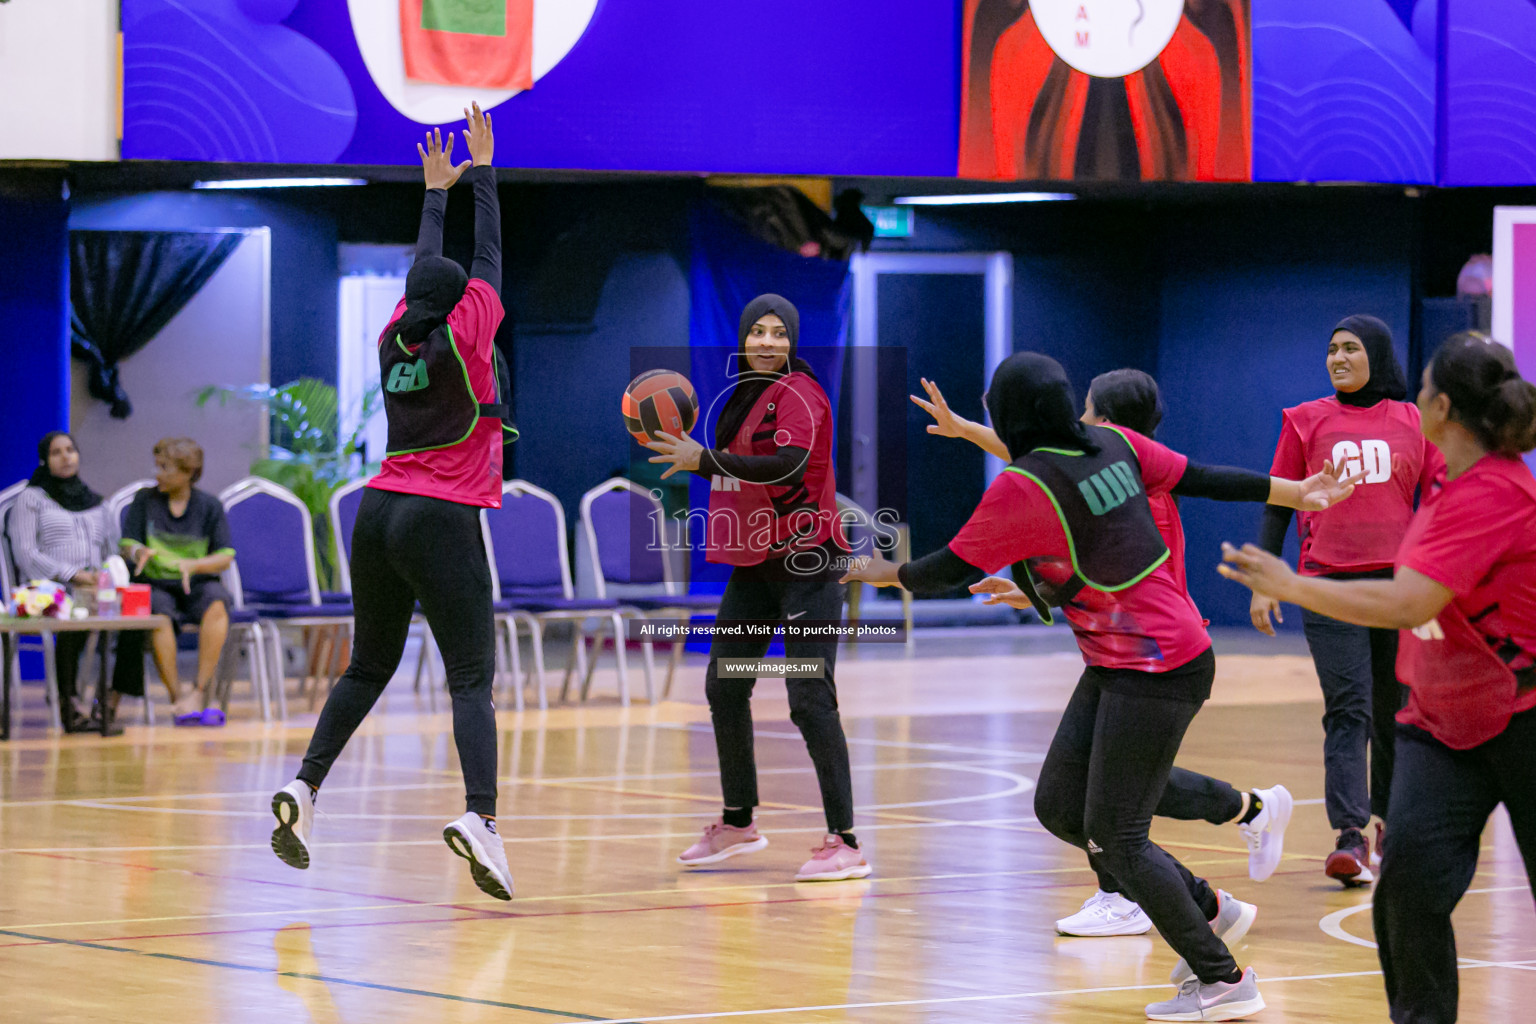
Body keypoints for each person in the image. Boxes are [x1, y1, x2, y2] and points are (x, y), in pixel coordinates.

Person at [850, 352, 1356, 1020]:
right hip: (1124, 661)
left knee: (1118, 835)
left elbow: (944, 568)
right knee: (1062, 805)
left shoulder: (1027, 482)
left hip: (1160, 664)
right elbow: (1201, 476)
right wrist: (1297, 491)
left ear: (1014, 412)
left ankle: (1225, 981)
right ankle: (1210, 905)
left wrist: (875, 571)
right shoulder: (1107, 447)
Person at [1220, 332, 1536, 1024]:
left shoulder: (1496, 491)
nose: (1413, 395)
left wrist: (1291, 586)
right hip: (1443, 723)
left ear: (1442, 406)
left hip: (1523, 718)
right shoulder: (1446, 477)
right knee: (1408, 894)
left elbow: (1409, 602)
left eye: (1423, 386)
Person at [912, 368, 1292, 939]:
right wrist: (968, 430)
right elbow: (1050, 475)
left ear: (1106, 423)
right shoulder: (1111, 469)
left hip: (1155, 654)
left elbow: (1099, 561)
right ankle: (1244, 816)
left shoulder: (1135, 486)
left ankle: (1148, 903)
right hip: (1125, 650)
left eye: (1087, 411)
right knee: (1095, 794)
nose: (1080, 420)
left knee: (1113, 809)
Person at [269, 103, 515, 900]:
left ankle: (304, 790)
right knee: (471, 677)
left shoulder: (393, 337)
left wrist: (432, 193)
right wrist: (481, 173)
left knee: (368, 664)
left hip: (375, 512)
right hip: (440, 516)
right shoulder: (466, 334)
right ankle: (480, 817)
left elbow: (428, 268)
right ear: (458, 302)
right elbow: (490, 258)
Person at [645, 294, 866, 882]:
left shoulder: (801, 394)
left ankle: (844, 842)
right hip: (759, 563)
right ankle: (739, 823)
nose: (768, 342)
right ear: (743, 339)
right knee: (725, 684)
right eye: (758, 332)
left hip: (808, 567)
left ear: (793, 341)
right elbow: (744, 468)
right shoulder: (746, 397)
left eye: (779, 333)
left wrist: (704, 460)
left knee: (809, 702)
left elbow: (787, 465)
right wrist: (705, 459)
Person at [1252, 315, 1442, 885]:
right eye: (1331, 349)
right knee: (1349, 707)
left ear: (1376, 356)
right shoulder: (1305, 420)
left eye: (1351, 349)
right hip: (1328, 586)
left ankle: (1390, 826)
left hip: (1396, 589)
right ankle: (1350, 837)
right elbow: (1277, 503)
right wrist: (1267, 579)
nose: (1337, 357)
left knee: (1396, 709)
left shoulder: (1413, 420)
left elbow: (1438, 499)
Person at [116, 437, 235, 727]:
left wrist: (195, 564)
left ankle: (199, 691)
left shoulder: (209, 505)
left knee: (217, 604)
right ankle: (177, 697)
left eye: (166, 468)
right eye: (158, 466)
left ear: (188, 472)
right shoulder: (145, 499)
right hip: (156, 584)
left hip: (196, 582)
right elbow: (126, 543)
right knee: (158, 615)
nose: (158, 474)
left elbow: (225, 556)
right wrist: (138, 551)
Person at [9, 432, 123, 733]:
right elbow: (26, 554)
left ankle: (108, 703)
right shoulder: (31, 499)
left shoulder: (98, 503)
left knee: (138, 620)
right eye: (57, 452)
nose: (66, 457)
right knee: (76, 609)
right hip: (48, 590)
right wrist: (74, 574)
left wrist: (108, 574)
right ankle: (68, 703)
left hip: (96, 589)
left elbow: (113, 551)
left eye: (71, 450)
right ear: (45, 460)